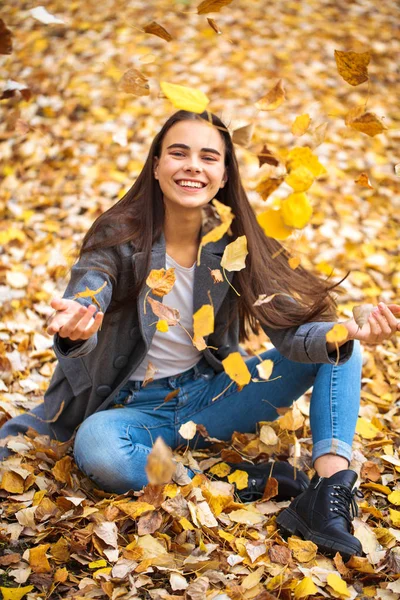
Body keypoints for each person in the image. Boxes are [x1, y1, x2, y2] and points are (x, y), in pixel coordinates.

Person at [1, 110, 399, 561]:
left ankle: (325, 498)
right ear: (155, 165)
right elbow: (92, 284)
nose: (193, 165)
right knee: (98, 448)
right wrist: (79, 319)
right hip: (128, 411)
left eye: (209, 157)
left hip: (209, 397)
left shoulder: (237, 240)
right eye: (178, 153)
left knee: (339, 348)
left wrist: (348, 329)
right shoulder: (119, 232)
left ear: (224, 173)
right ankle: (232, 482)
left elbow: (292, 331)